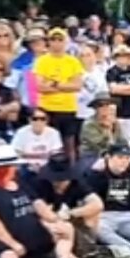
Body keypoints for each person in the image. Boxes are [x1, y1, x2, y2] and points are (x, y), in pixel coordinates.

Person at [86, 143, 130, 257]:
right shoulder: (96, 175)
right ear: (109, 157)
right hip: (105, 216)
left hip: (128, 215)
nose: (124, 161)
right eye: (120, 157)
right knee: (97, 228)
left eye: (127, 158)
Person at [33, 27, 85, 161]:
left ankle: (71, 174)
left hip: (67, 108)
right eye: (53, 40)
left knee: (69, 144)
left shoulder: (73, 61)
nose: (57, 43)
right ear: (48, 42)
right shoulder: (41, 61)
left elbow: (77, 86)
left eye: (60, 40)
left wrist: (54, 84)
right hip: (46, 108)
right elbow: (38, 86)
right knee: (47, 144)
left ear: (65, 42)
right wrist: (65, 85)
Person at [106, 45, 130, 139]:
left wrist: (123, 88)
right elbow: (113, 89)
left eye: (125, 56)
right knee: (117, 138)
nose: (123, 58)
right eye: (120, 56)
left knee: (129, 138)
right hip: (117, 110)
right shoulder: (112, 72)